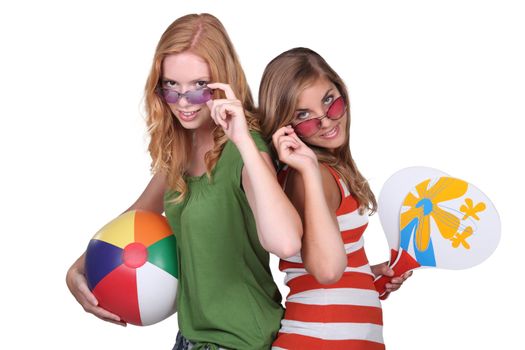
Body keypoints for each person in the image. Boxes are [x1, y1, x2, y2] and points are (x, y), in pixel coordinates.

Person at [66, 14, 303, 350]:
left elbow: (287, 242)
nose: (182, 101)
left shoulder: (246, 148)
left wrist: (245, 143)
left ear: (223, 81)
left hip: (242, 340)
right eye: (171, 86)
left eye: (199, 87)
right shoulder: (181, 146)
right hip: (191, 338)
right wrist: (78, 269)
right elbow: (136, 218)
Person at [258, 47, 412, 350]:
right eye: (304, 115)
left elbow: (318, 263)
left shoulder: (325, 171)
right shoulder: (311, 175)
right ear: (284, 126)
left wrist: (365, 276)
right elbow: (326, 271)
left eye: (329, 100)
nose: (326, 121)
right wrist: (311, 171)